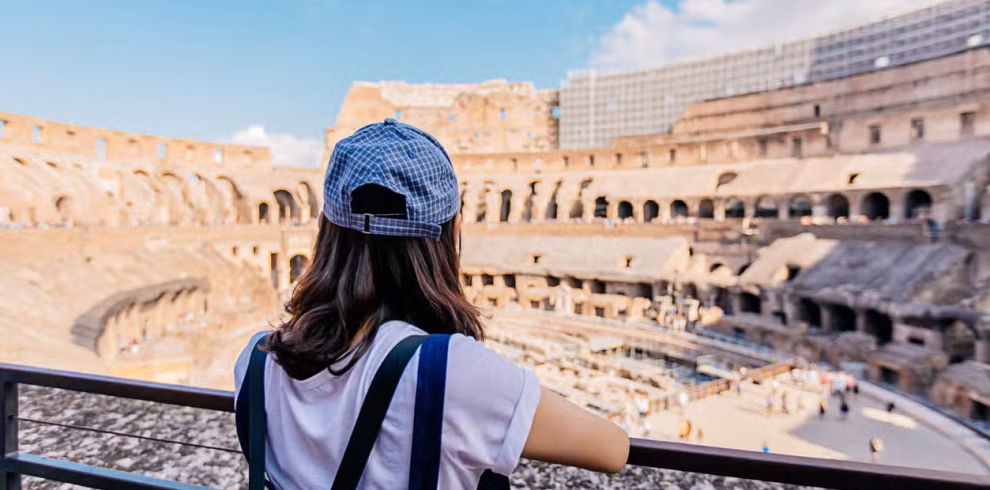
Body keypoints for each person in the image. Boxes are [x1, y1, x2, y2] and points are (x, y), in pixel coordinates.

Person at [233, 119, 629, 489]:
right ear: (453, 231)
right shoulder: (452, 371)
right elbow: (613, 449)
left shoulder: (255, 359)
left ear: (323, 227)